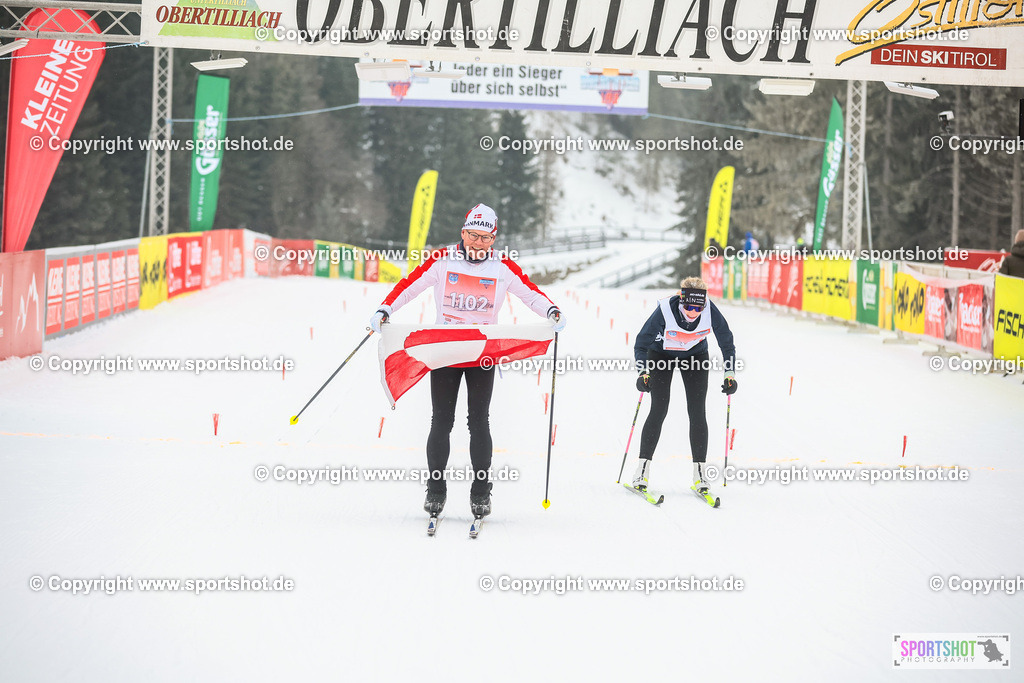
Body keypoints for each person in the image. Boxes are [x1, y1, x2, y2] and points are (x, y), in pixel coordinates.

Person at [369, 203, 565, 519]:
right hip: (445, 350)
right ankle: (436, 489)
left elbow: (530, 293)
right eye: (473, 235)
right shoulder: (441, 260)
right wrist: (385, 308)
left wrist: (551, 311)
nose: (478, 243)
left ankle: (480, 492)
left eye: (485, 238)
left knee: (479, 422)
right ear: (463, 233)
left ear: (494, 238)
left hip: (481, 354)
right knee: (441, 422)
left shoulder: (502, 266)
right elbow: (410, 286)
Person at [630, 276, 737, 507]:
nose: (692, 312)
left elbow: (726, 341)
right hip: (661, 355)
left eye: (697, 307)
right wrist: (643, 372)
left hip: (695, 356)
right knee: (659, 408)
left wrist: (730, 374)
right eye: (688, 306)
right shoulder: (665, 311)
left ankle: (700, 476)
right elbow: (641, 343)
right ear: (681, 301)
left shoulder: (710, 310)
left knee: (697, 412)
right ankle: (641, 471)